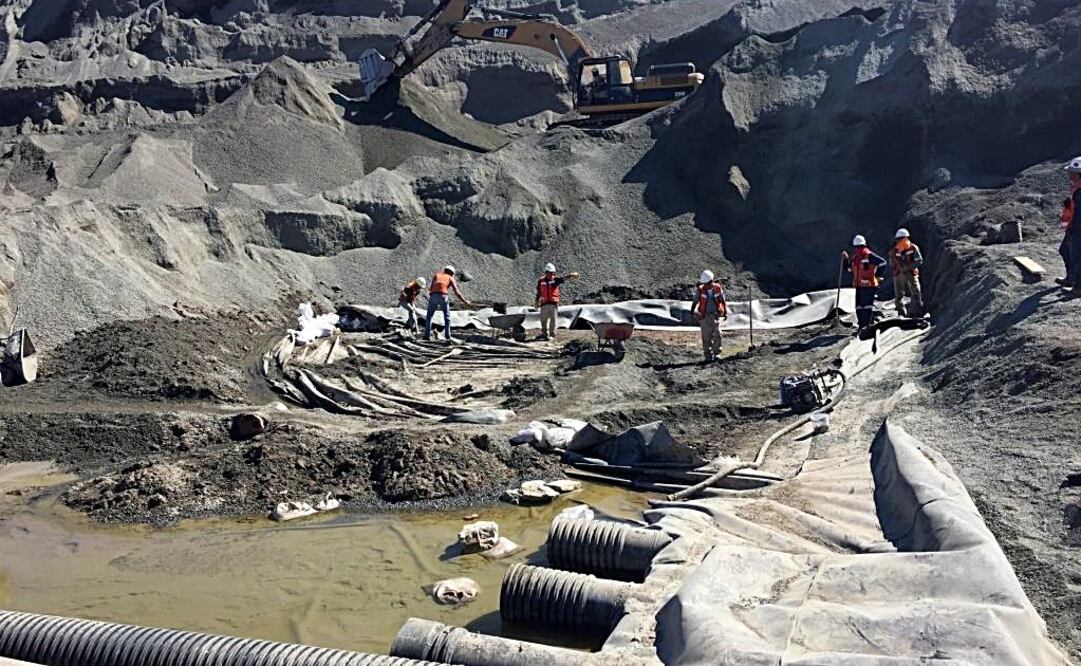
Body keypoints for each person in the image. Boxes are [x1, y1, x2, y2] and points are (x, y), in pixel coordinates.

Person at [842, 235, 886, 333]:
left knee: (866, 306)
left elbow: (882, 263)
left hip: (869, 285)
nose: (857, 250)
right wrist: (846, 260)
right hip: (859, 285)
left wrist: (878, 276)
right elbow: (849, 269)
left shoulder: (869, 255)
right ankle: (862, 326)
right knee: (859, 306)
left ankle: (866, 327)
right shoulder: (855, 258)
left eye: (858, 248)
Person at [424, 265, 470, 341]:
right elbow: (456, 291)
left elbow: (431, 288)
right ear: (452, 273)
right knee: (447, 317)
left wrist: (431, 297)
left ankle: (426, 335)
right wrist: (465, 301)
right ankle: (448, 336)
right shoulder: (450, 278)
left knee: (429, 316)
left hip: (433, 296)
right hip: (443, 296)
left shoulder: (437, 275)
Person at [535, 263, 580, 341]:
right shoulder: (541, 281)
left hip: (553, 304)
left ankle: (552, 334)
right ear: (546, 272)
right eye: (550, 273)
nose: (551, 274)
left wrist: (570, 276)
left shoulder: (555, 280)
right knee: (543, 319)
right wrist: (536, 301)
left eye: (553, 273)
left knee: (553, 319)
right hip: (544, 304)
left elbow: (562, 279)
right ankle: (544, 333)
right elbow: (539, 292)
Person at [691, 270, 727, 362]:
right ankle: (708, 355)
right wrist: (691, 311)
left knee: (718, 334)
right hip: (704, 316)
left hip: (715, 315)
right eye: (704, 283)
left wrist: (725, 312)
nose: (705, 285)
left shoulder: (718, 288)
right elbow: (695, 301)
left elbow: (722, 301)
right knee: (706, 336)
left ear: (711, 282)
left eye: (706, 283)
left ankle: (717, 354)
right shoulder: (701, 289)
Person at [888, 228, 924, 317]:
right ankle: (901, 313)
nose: (900, 241)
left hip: (911, 273)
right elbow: (891, 263)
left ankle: (915, 312)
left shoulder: (913, 247)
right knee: (899, 295)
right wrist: (898, 267)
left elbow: (919, 260)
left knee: (916, 292)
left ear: (906, 238)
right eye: (899, 239)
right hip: (898, 274)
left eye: (901, 238)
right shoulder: (894, 251)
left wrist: (908, 267)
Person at [1058, 157, 1081, 290]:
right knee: (1065, 251)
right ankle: (1071, 278)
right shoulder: (1076, 188)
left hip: (1077, 230)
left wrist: (1073, 229)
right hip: (1073, 228)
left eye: (1071, 171)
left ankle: (1078, 288)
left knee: (1077, 257)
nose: (1069, 174)